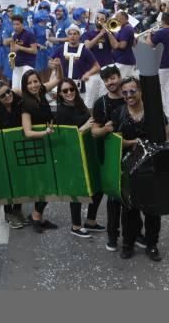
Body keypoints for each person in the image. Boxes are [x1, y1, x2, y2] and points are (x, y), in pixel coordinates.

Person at [111, 77, 169, 262]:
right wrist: (132, 143)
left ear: (140, 91)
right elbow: (115, 142)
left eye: (132, 91)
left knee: (153, 209)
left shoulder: (154, 112)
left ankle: (152, 245)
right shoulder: (119, 113)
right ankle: (127, 244)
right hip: (128, 169)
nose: (129, 96)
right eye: (125, 92)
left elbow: (165, 137)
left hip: (152, 168)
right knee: (129, 210)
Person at [54, 78, 104, 238]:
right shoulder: (61, 112)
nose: (69, 93)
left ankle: (91, 221)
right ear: (60, 94)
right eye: (65, 91)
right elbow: (65, 139)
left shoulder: (80, 104)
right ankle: (75, 226)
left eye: (72, 89)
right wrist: (83, 128)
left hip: (89, 151)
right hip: (73, 155)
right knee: (77, 190)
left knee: (97, 186)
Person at [19, 70, 61, 233]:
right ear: (25, 86)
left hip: (48, 144)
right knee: (45, 183)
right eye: (29, 83)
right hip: (36, 147)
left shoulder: (41, 91)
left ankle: (37, 215)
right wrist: (46, 133)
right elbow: (27, 132)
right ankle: (36, 216)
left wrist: (58, 66)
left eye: (35, 81)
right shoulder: (25, 104)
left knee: (49, 182)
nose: (33, 85)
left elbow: (58, 79)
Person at [0, 80, 27, 229]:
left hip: (21, 149)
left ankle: (18, 210)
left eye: (8, 91)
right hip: (4, 152)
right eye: (3, 95)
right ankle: (8, 212)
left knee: (21, 181)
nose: (8, 95)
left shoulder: (19, 100)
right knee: (8, 182)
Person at [90, 65, 125, 251]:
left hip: (131, 155)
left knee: (132, 199)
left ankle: (136, 233)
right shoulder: (100, 103)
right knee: (113, 199)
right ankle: (113, 236)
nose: (111, 82)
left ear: (120, 77)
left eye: (113, 78)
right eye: (107, 80)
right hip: (110, 157)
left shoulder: (131, 97)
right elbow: (94, 132)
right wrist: (105, 130)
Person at [149, 13, 169, 123]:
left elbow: (150, 44)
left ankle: (158, 115)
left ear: (163, 21)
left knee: (157, 90)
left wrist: (149, 34)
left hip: (161, 64)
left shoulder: (160, 32)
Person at [8, 15, 38, 89]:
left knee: (25, 88)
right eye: (14, 24)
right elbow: (13, 51)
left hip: (27, 64)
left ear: (22, 24)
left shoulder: (29, 35)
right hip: (17, 64)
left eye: (17, 24)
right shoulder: (14, 35)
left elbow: (34, 51)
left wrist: (20, 48)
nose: (15, 26)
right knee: (15, 88)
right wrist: (11, 58)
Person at [107, 11, 136, 78]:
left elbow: (122, 46)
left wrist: (109, 33)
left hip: (124, 61)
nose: (116, 19)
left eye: (118, 17)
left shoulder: (126, 28)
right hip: (122, 61)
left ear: (124, 18)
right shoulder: (122, 28)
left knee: (120, 82)